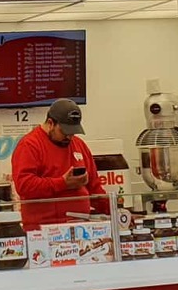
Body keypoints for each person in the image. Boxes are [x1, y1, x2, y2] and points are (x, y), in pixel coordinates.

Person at [11, 98, 107, 229]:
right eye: (64, 132)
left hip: (81, 228)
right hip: (44, 230)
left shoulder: (79, 144)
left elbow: (94, 188)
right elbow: (24, 186)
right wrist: (63, 183)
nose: (69, 137)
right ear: (50, 123)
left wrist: (116, 211)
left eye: (72, 132)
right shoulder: (29, 145)